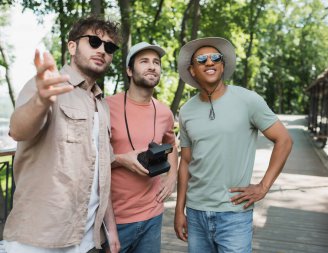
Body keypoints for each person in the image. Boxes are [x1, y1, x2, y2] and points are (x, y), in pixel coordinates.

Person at [4, 16, 121, 253]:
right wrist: (40, 100)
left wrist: (111, 230)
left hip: (87, 240)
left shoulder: (102, 104)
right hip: (38, 239)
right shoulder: (47, 87)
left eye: (109, 47)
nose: (102, 50)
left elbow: (102, 174)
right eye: (94, 42)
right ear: (72, 46)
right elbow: (18, 129)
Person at [174, 37, 293, 253]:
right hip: (196, 212)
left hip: (234, 213)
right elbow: (186, 162)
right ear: (192, 70)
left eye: (215, 58)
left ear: (222, 65)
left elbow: (284, 140)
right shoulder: (186, 111)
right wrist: (179, 210)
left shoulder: (248, 100)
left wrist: (263, 187)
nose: (209, 62)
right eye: (201, 59)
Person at [106, 42, 178, 253]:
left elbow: (172, 146)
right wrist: (120, 159)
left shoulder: (165, 113)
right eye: (144, 61)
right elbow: (88, 156)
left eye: (156, 62)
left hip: (153, 216)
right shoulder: (105, 107)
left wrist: (172, 176)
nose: (152, 66)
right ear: (129, 70)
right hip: (113, 219)